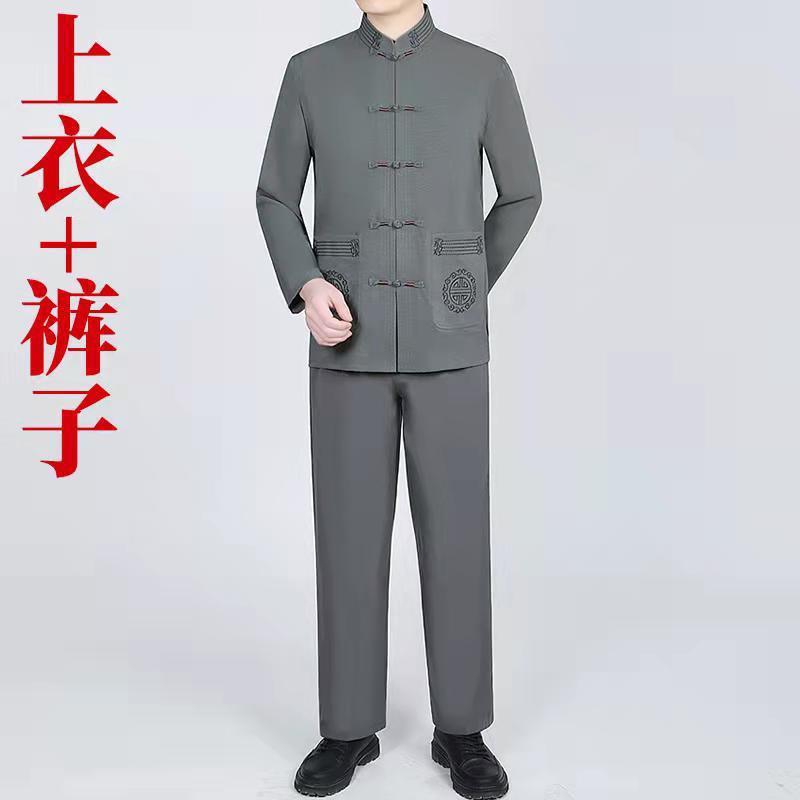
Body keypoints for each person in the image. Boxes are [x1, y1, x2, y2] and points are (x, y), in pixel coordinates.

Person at [255, 1, 541, 796]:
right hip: (344, 340)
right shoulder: (310, 73)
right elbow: (275, 195)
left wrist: (462, 285)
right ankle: (347, 729)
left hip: (451, 350)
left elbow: (522, 192)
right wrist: (305, 282)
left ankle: (463, 729)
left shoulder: (483, 73)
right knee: (346, 536)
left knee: (458, 536)